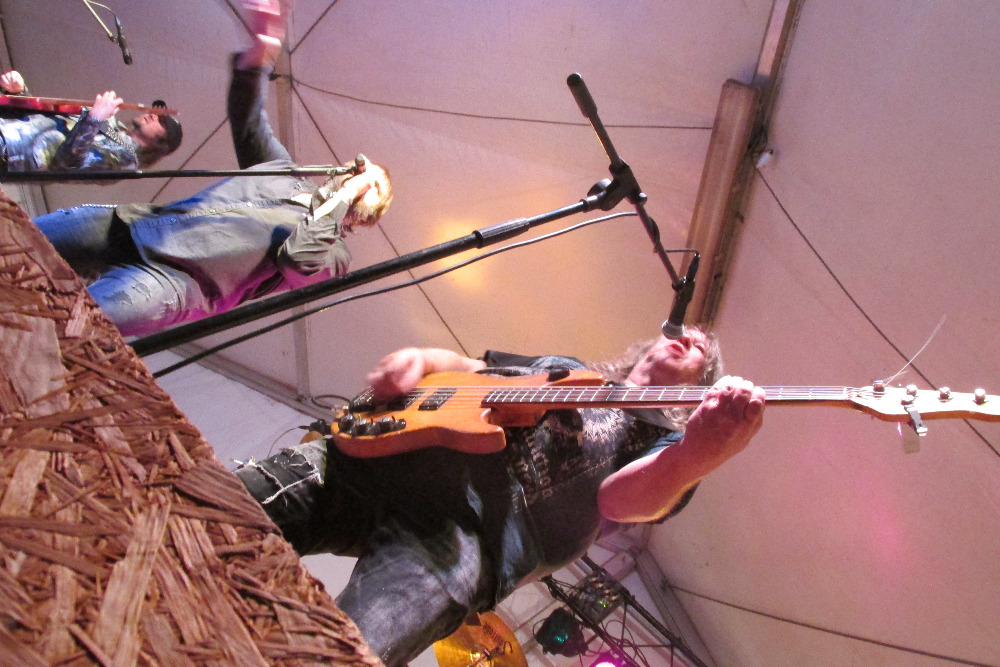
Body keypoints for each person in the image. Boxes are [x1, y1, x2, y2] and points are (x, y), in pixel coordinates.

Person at [234, 326, 766, 666]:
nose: (685, 341)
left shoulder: (672, 441)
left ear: (702, 384)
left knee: (339, 653)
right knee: (220, 505)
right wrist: (419, 359)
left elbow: (620, 503)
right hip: (381, 457)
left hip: (465, 540)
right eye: (681, 333)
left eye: (700, 349)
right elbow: (471, 369)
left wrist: (702, 452)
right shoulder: (568, 366)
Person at [32, 1, 392, 337]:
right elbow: (248, 117)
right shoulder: (283, 171)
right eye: (363, 172)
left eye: (373, 185)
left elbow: (298, 260)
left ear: (366, 219)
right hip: (130, 226)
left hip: (168, 284)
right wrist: (259, 55)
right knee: (17, 241)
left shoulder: (335, 255)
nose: (363, 178)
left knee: (59, 330)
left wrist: (344, 197)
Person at [0, 69, 182, 173]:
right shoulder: (110, 124)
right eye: (157, 113)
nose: (153, 115)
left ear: (161, 143)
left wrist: (94, 118)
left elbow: (67, 161)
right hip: (8, 129)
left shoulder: (127, 160)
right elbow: (47, 122)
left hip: (11, 151)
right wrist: (19, 92)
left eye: (162, 122)